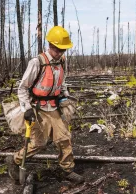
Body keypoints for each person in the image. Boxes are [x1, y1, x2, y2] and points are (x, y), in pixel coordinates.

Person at [6, 26, 84, 184]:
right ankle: (15, 160)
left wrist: (65, 94)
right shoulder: (37, 62)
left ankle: (67, 169)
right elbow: (22, 88)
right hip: (37, 108)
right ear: (50, 45)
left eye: (63, 50)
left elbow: (61, 82)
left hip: (54, 107)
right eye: (58, 49)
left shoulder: (61, 61)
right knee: (39, 143)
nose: (61, 52)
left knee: (64, 138)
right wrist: (27, 109)